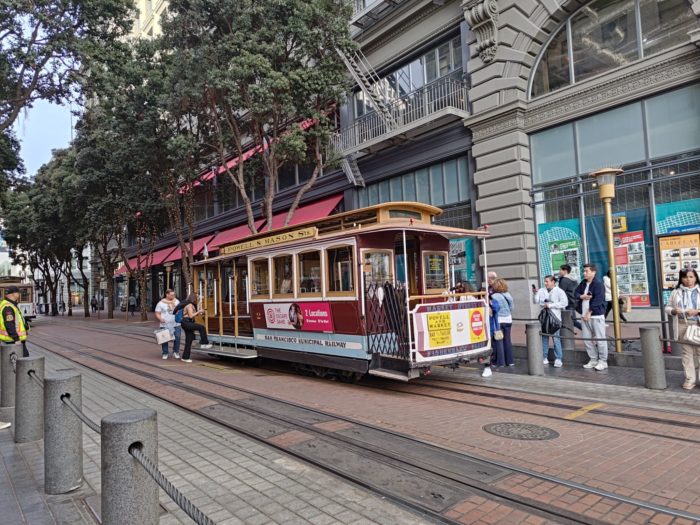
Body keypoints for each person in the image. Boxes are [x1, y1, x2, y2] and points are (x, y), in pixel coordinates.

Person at [665, 268, 700, 390]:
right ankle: (690, 379)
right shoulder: (676, 292)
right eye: (685, 277)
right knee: (686, 353)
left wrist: (697, 312)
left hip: (698, 324)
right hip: (682, 325)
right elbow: (667, 307)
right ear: (681, 278)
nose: (688, 280)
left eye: (691, 277)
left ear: (696, 278)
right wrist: (674, 311)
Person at [575, 263, 608, 371]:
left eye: (586, 271)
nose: (584, 273)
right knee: (587, 339)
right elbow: (576, 293)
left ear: (593, 272)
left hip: (596, 315)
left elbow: (598, 299)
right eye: (584, 271)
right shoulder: (583, 283)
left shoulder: (598, 284)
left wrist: (589, 312)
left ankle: (603, 361)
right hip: (584, 315)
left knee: (600, 339)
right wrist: (581, 296)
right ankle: (593, 359)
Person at [534, 275, 568, 367]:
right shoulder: (541, 290)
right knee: (544, 338)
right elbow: (536, 301)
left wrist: (551, 305)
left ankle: (558, 358)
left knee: (556, 339)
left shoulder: (559, 291)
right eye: (545, 281)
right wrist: (535, 293)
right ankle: (544, 357)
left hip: (555, 319)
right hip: (544, 318)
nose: (545, 283)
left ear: (553, 282)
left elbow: (564, 303)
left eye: (547, 281)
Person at [180, 293, 212, 363]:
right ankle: (204, 343)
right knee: (201, 327)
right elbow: (191, 316)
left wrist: (200, 311)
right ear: (194, 298)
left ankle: (185, 357)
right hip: (187, 322)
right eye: (197, 297)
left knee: (189, 340)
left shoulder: (192, 305)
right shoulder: (189, 305)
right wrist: (198, 311)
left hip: (187, 323)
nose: (198, 298)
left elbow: (195, 314)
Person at [0, 285, 30, 358]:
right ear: (13, 294)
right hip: (13, 341)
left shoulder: (10, 304)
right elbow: (9, 324)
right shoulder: (8, 307)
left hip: (12, 340)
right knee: (23, 360)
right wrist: (16, 339)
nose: (19, 294)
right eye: (18, 292)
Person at [490, 278, 514, 366]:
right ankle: (510, 361)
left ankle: (500, 362)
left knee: (498, 341)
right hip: (508, 319)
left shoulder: (494, 296)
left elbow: (494, 309)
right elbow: (512, 307)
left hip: (499, 320)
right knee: (507, 340)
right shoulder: (508, 295)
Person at [154, 289, 181, 360]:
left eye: (174, 295)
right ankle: (165, 353)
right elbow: (157, 312)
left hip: (176, 323)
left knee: (177, 338)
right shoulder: (160, 303)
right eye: (171, 295)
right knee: (164, 339)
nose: (173, 296)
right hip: (165, 324)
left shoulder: (177, 301)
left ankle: (176, 352)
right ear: (167, 295)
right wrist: (160, 319)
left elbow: (180, 310)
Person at [558, 264, 582, 331]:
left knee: (572, 320)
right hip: (574, 301)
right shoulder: (573, 279)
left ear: (565, 271)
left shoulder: (564, 280)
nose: (559, 271)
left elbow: (560, 292)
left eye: (560, 270)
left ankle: (588, 330)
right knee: (571, 320)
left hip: (569, 303)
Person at [482, 295, 500, 378]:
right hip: (482, 330)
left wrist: (490, 303)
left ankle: (488, 366)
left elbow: (497, 308)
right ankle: (488, 365)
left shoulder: (493, 302)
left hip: (491, 330)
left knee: (490, 347)